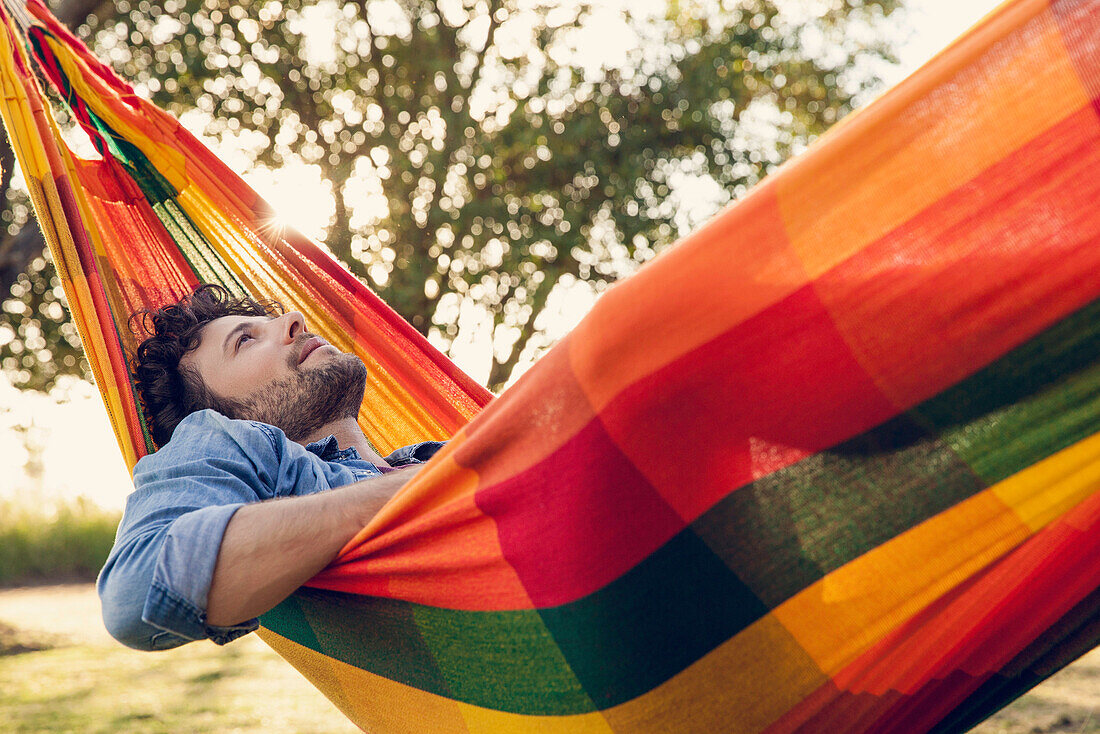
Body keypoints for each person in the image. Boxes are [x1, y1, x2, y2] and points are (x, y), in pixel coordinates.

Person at [97, 284, 443, 651]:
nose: (295, 320)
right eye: (245, 340)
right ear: (218, 419)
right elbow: (135, 594)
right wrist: (425, 490)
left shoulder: (438, 453)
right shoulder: (229, 441)